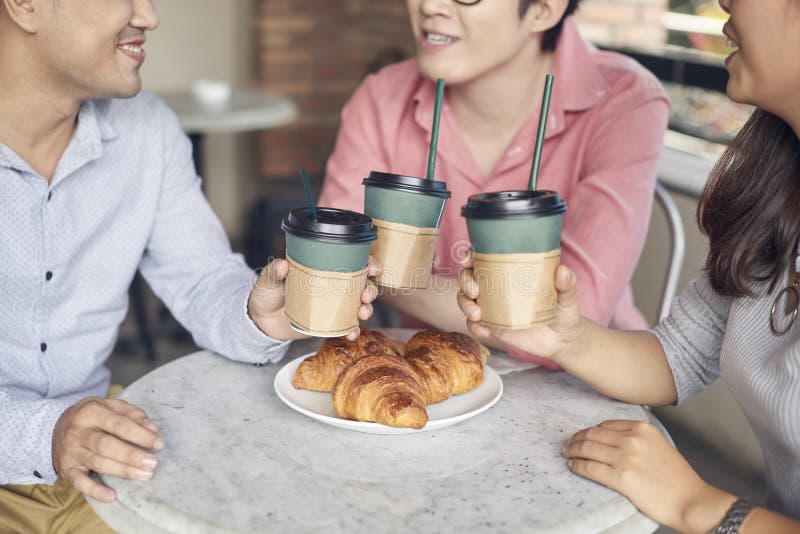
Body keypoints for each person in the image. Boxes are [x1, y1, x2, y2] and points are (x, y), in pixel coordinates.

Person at [0, 0, 379, 531]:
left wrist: (256, 313)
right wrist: (45, 434)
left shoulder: (147, 128)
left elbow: (201, 275)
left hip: (103, 453)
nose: (149, 16)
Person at [457, 0, 800, 530]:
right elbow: (680, 355)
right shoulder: (778, 189)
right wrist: (565, 337)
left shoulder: (626, 96)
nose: (724, 2)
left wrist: (699, 505)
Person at [319, 0, 670, 367]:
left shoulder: (624, 98)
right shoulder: (382, 96)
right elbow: (336, 264)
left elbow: (575, 322)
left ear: (543, 10)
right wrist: (515, 307)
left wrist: (392, 274)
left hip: (586, 387)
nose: (430, 6)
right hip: (434, 370)